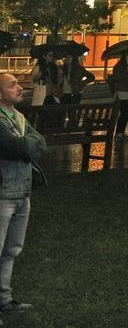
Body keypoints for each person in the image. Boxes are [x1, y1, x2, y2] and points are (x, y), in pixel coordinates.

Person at [0, 72, 44, 316]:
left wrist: (28, 143)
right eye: (12, 85)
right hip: (3, 193)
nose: (19, 88)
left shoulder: (18, 116)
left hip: (22, 192)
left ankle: (4, 299)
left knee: (12, 249)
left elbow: (40, 141)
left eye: (18, 83)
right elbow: (21, 146)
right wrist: (28, 143)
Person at [109, 53, 128, 140]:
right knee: (123, 112)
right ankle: (119, 132)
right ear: (125, 55)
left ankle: (121, 131)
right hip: (123, 91)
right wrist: (127, 73)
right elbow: (116, 77)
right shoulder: (120, 66)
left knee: (126, 112)